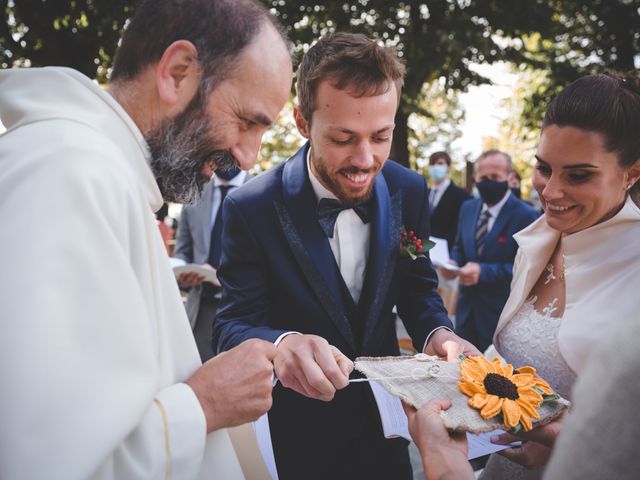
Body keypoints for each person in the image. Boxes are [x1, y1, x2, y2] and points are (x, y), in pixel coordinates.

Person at [0, 0, 293, 478]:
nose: (246, 156)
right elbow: (38, 459)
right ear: (177, 73)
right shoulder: (66, 171)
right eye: (246, 121)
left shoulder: (97, 170)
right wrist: (206, 404)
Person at [212, 32, 479, 479]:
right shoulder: (250, 207)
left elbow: (418, 292)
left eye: (381, 136)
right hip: (298, 434)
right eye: (342, 138)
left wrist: (438, 333)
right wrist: (282, 345)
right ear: (302, 121)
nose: (365, 159)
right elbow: (231, 325)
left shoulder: (408, 189)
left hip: (393, 430)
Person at [406, 70, 640, 480]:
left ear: (632, 173)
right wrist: (464, 371)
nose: (549, 191)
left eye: (578, 175)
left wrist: (562, 446)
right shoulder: (541, 240)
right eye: (544, 168)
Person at [439, 150, 538, 352]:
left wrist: (483, 272)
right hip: (466, 311)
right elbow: (459, 246)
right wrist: (453, 264)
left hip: (500, 315)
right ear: (475, 179)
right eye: (484, 177)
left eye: (495, 177)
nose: (489, 182)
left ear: (509, 178)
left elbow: (527, 270)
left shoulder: (527, 216)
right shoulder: (467, 208)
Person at [173, 166, 248, 361]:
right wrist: (183, 274)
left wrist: (225, 279)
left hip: (243, 314)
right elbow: (183, 250)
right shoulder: (194, 193)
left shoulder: (261, 194)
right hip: (200, 310)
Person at [427, 151, 471, 252]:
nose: (436, 167)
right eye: (432, 164)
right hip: (424, 252)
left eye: (440, 163)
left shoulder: (461, 195)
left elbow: (459, 229)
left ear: (449, 167)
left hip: (447, 252)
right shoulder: (425, 193)